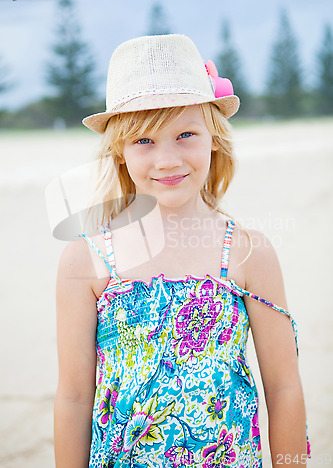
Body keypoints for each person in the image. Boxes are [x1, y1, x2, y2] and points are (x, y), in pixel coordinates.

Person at [54, 34, 310, 468]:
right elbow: (75, 397)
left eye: (185, 134)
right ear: (119, 150)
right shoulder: (87, 259)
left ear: (214, 137)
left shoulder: (248, 253)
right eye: (144, 141)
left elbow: (284, 388)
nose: (167, 160)